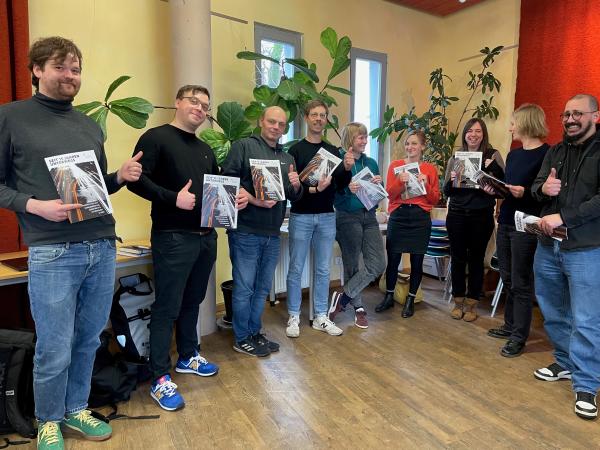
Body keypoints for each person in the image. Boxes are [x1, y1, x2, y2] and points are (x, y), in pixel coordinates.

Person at [0, 36, 142, 449]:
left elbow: (93, 191)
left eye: (76, 69)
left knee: (88, 338)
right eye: (61, 67)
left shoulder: (88, 124)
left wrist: (120, 177)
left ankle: (77, 407)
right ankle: (48, 419)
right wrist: (35, 206)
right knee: (54, 345)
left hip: (101, 244)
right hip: (52, 250)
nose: (70, 76)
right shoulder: (11, 117)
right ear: (37, 70)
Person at [128, 85, 247, 411]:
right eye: (194, 101)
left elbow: (216, 189)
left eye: (205, 105)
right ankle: (159, 378)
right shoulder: (155, 138)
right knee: (167, 306)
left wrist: (235, 197)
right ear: (178, 102)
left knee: (192, 300)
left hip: (206, 236)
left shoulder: (205, 149)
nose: (200, 108)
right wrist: (172, 198)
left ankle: (189, 355)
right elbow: (135, 180)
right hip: (173, 236)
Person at [530, 94, 600, 420]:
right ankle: (565, 362)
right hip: (548, 246)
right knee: (553, 312)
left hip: (586, 248)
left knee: (586, 320)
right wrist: (543, 190)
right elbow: (535, 187)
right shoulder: (556, 151)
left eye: (577, 114)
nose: (570, 119)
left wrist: (564, 216)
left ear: (595, 116)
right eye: (566, 114)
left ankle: (586, 384)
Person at [221, 106, 302, 356]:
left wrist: (297, 186)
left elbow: (292, 196)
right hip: (245, 231)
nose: (276, 127)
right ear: (261, 121)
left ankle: (255, 333)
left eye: (281, 124)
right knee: (245, 288)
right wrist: (255, 200)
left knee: (261, 288)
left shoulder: (287, 158)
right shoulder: (243, 146)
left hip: (272, 233)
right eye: (272, 121)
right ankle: (242, 337)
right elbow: (225, 182)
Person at [285, 100, 353, 338]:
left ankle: (321, 316)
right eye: (314, 115)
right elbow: (292, 189)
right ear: (306, 118)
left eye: (322, 115)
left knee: (323, 269)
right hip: (300, 216)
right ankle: (294, 315)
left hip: (326, 216)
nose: (318, 119)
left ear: (326, 119)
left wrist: (346, 167)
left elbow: (342, 185)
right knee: (295, 268)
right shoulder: (294, 151)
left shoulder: (333, 152)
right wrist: (311, 186)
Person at [486, 104, 549, 357]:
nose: (510, 127)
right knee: (508, 277)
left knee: (522, 281)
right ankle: (510, 325)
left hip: (527, 224)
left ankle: (518, 336)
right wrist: (495, 189)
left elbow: (544, 195)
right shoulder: (513, 155)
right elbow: (509, 189)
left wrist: (524, 193)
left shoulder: (547, 153)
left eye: (513, 122)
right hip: (507, 221)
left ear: (525, 123)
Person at [444, 118, 505, 322]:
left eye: (478, 131)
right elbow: (447, 191)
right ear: (465, 134)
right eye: (469, 131)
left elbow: (501, 188)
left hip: (481, 216)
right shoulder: (456, 157)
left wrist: (491, 172)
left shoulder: (492, 155)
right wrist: (453, 179)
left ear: (483, 134)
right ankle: (458, 300)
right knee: (458, 258)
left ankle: (472, 303)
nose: (473, 134)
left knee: (477, 260)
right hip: (457, 215)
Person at [328, 122, 386, 329]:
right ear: (349, 139)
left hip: (369, 216)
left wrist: (379, 186)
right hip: (347, 216)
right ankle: (359, 308)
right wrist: (346, 189)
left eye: (365, 137)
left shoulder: (371, 162)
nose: (364, 140)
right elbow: (330, 193)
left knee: (378, 263)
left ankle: (342, 298)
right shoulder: (339, 162)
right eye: (359, 137)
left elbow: (377, 196)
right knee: (352, 265)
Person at [377, 130, 440, 317]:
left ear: (422, 146)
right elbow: (390, 193)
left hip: (420, 217)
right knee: (394, 258)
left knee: (417, 261)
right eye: (407, 144)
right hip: (399, 215)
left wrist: (426, 184)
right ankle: (389, 296)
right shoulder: (395, 166)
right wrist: (399, 181)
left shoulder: (430, 169)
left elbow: (435, 199)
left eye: (414, 144)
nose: (410, 147)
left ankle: (411, 299)